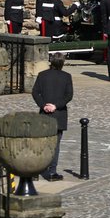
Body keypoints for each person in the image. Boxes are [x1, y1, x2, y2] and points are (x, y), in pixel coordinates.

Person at [32, 52, 74, 181]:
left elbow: (35, 92)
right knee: (55, 145)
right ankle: (52, 172)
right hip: (58, 114)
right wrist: (55, 106)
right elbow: (68, 96)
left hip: (44, 114)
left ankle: (35, 171)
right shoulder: (66, 76)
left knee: (41, 144)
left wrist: (44, 105)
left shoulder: (42, 75)